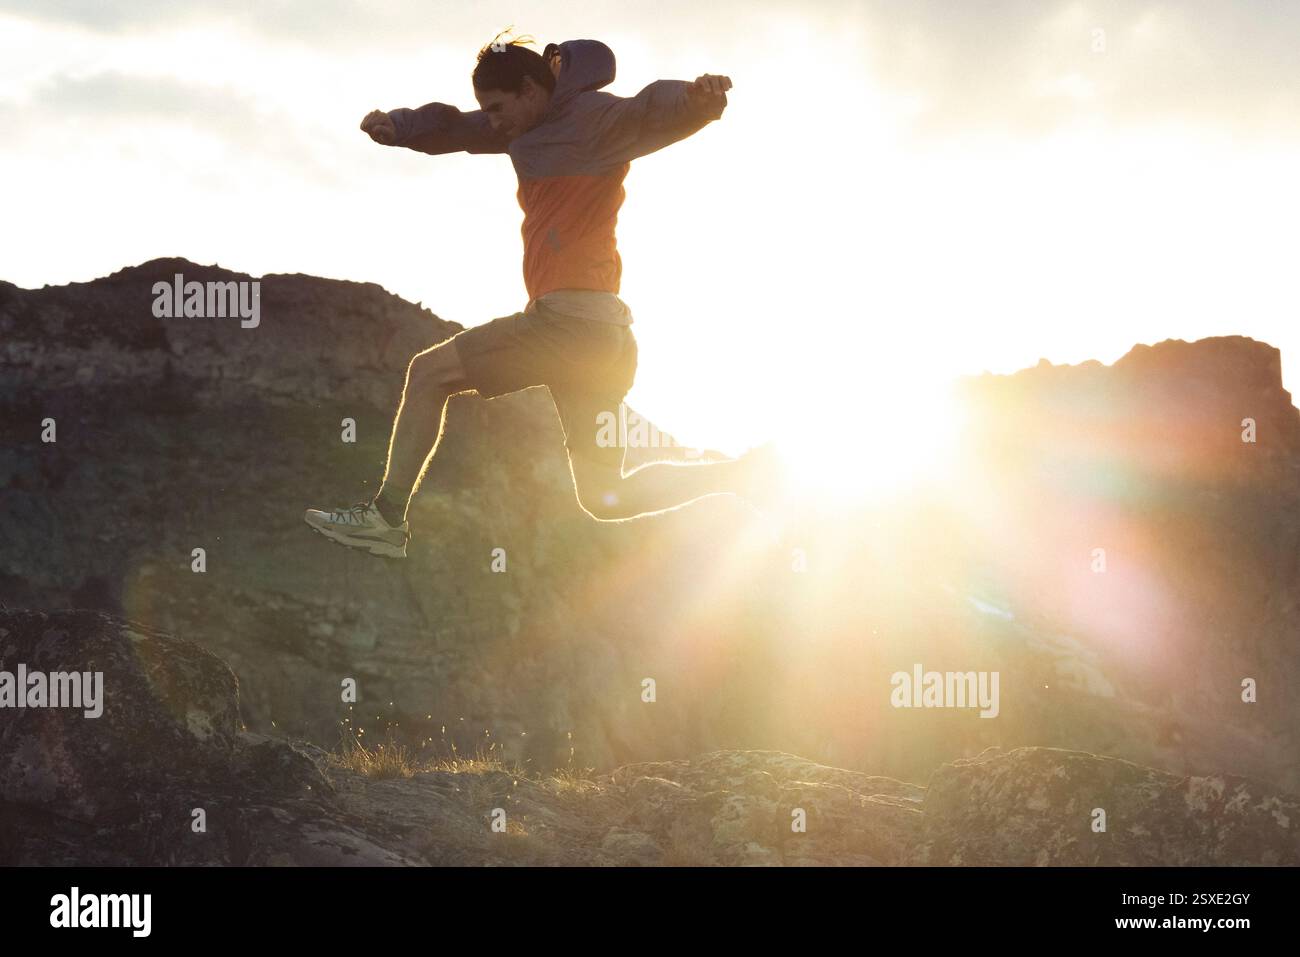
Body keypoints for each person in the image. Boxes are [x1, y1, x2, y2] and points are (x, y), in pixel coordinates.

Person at [305, 32, 782, 559]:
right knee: (606, 495)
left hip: (568, 325)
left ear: (533, 89)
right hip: (604, 343)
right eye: (489, 109)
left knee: (427, 373)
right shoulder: (521, 128)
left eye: (499, 107)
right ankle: (741, 475)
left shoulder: (597, 119)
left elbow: (650, 108)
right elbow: (460, 126)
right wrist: (402, 126)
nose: (493, 119)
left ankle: (385, 518)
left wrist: (700, 98)